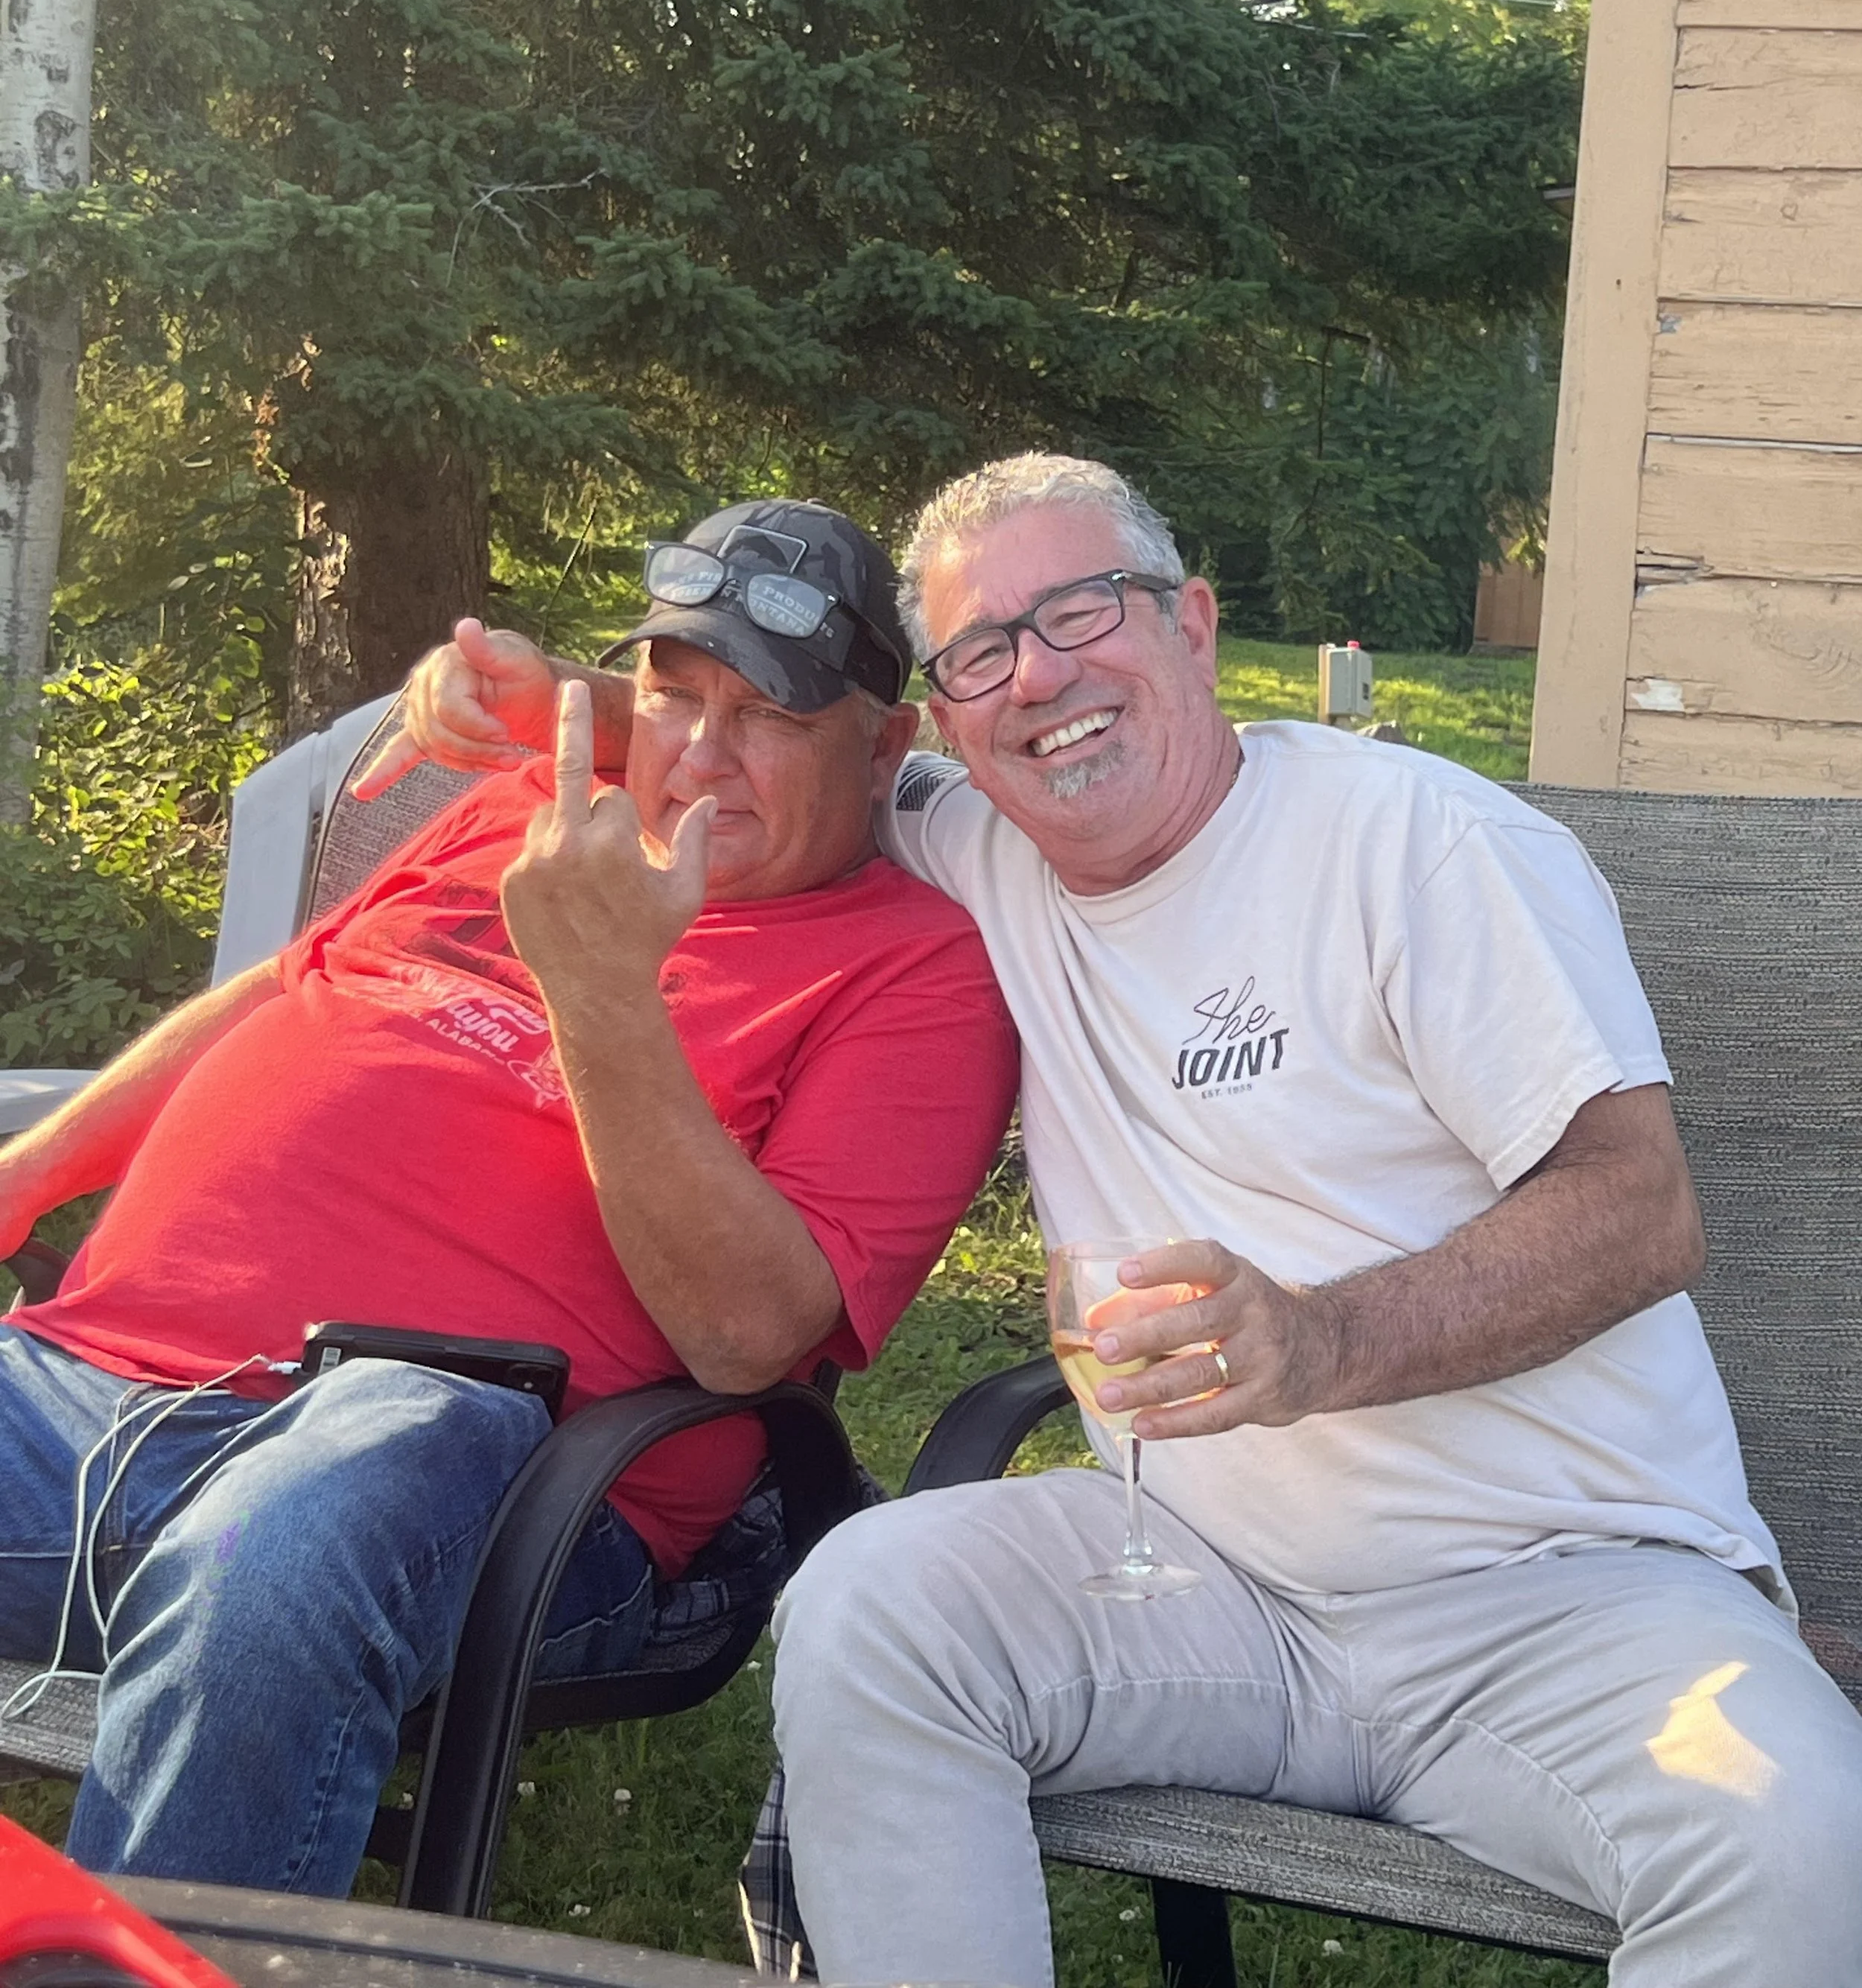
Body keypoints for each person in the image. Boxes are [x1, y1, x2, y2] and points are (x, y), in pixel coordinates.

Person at [400, 455, 1862, 1988]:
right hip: (1196, 1582)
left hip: (1556, 1597)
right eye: (980, 653)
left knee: (1794, 1842)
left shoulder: (1418, 845)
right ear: (951, 723)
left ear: (1193, 628)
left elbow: (1637, 1208)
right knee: (872, 1604)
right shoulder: (981, 848)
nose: (1037, 674)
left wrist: (1320, 1338)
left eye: (1080, 609)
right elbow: (796, 755)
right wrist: (559, 693)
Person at [0, 499, 1017, 1900]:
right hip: (82, 1389)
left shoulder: (916, 973)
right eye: (675, 695)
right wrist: (24, 1177)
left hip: (449, 1459)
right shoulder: (522, 818)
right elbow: (277, 999)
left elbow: (748, 1334)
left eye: (770, 718)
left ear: (885, 745)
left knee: (276, 1556)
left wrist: (602, 993)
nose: (705, 756)